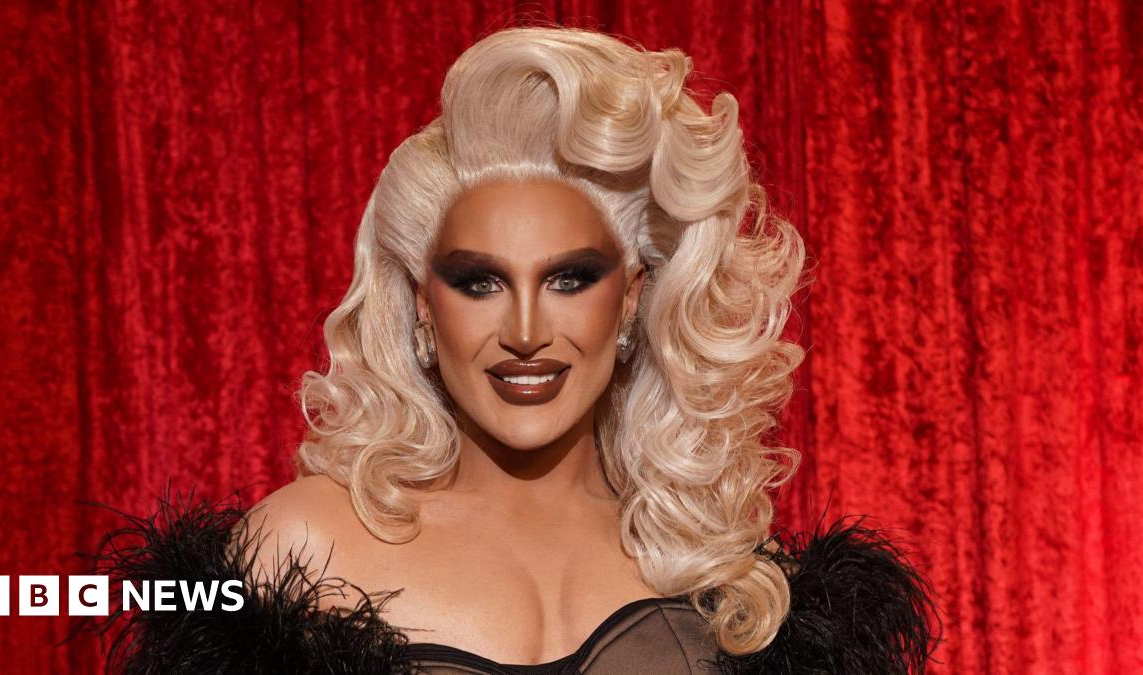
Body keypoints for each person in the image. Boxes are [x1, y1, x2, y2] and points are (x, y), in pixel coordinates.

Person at [83, 26, 939, 674]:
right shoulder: (303, 544)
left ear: (634, 298)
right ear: (424, 305)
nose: (526, 329)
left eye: (570, 278)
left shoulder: (719, 569)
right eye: (479, 281)